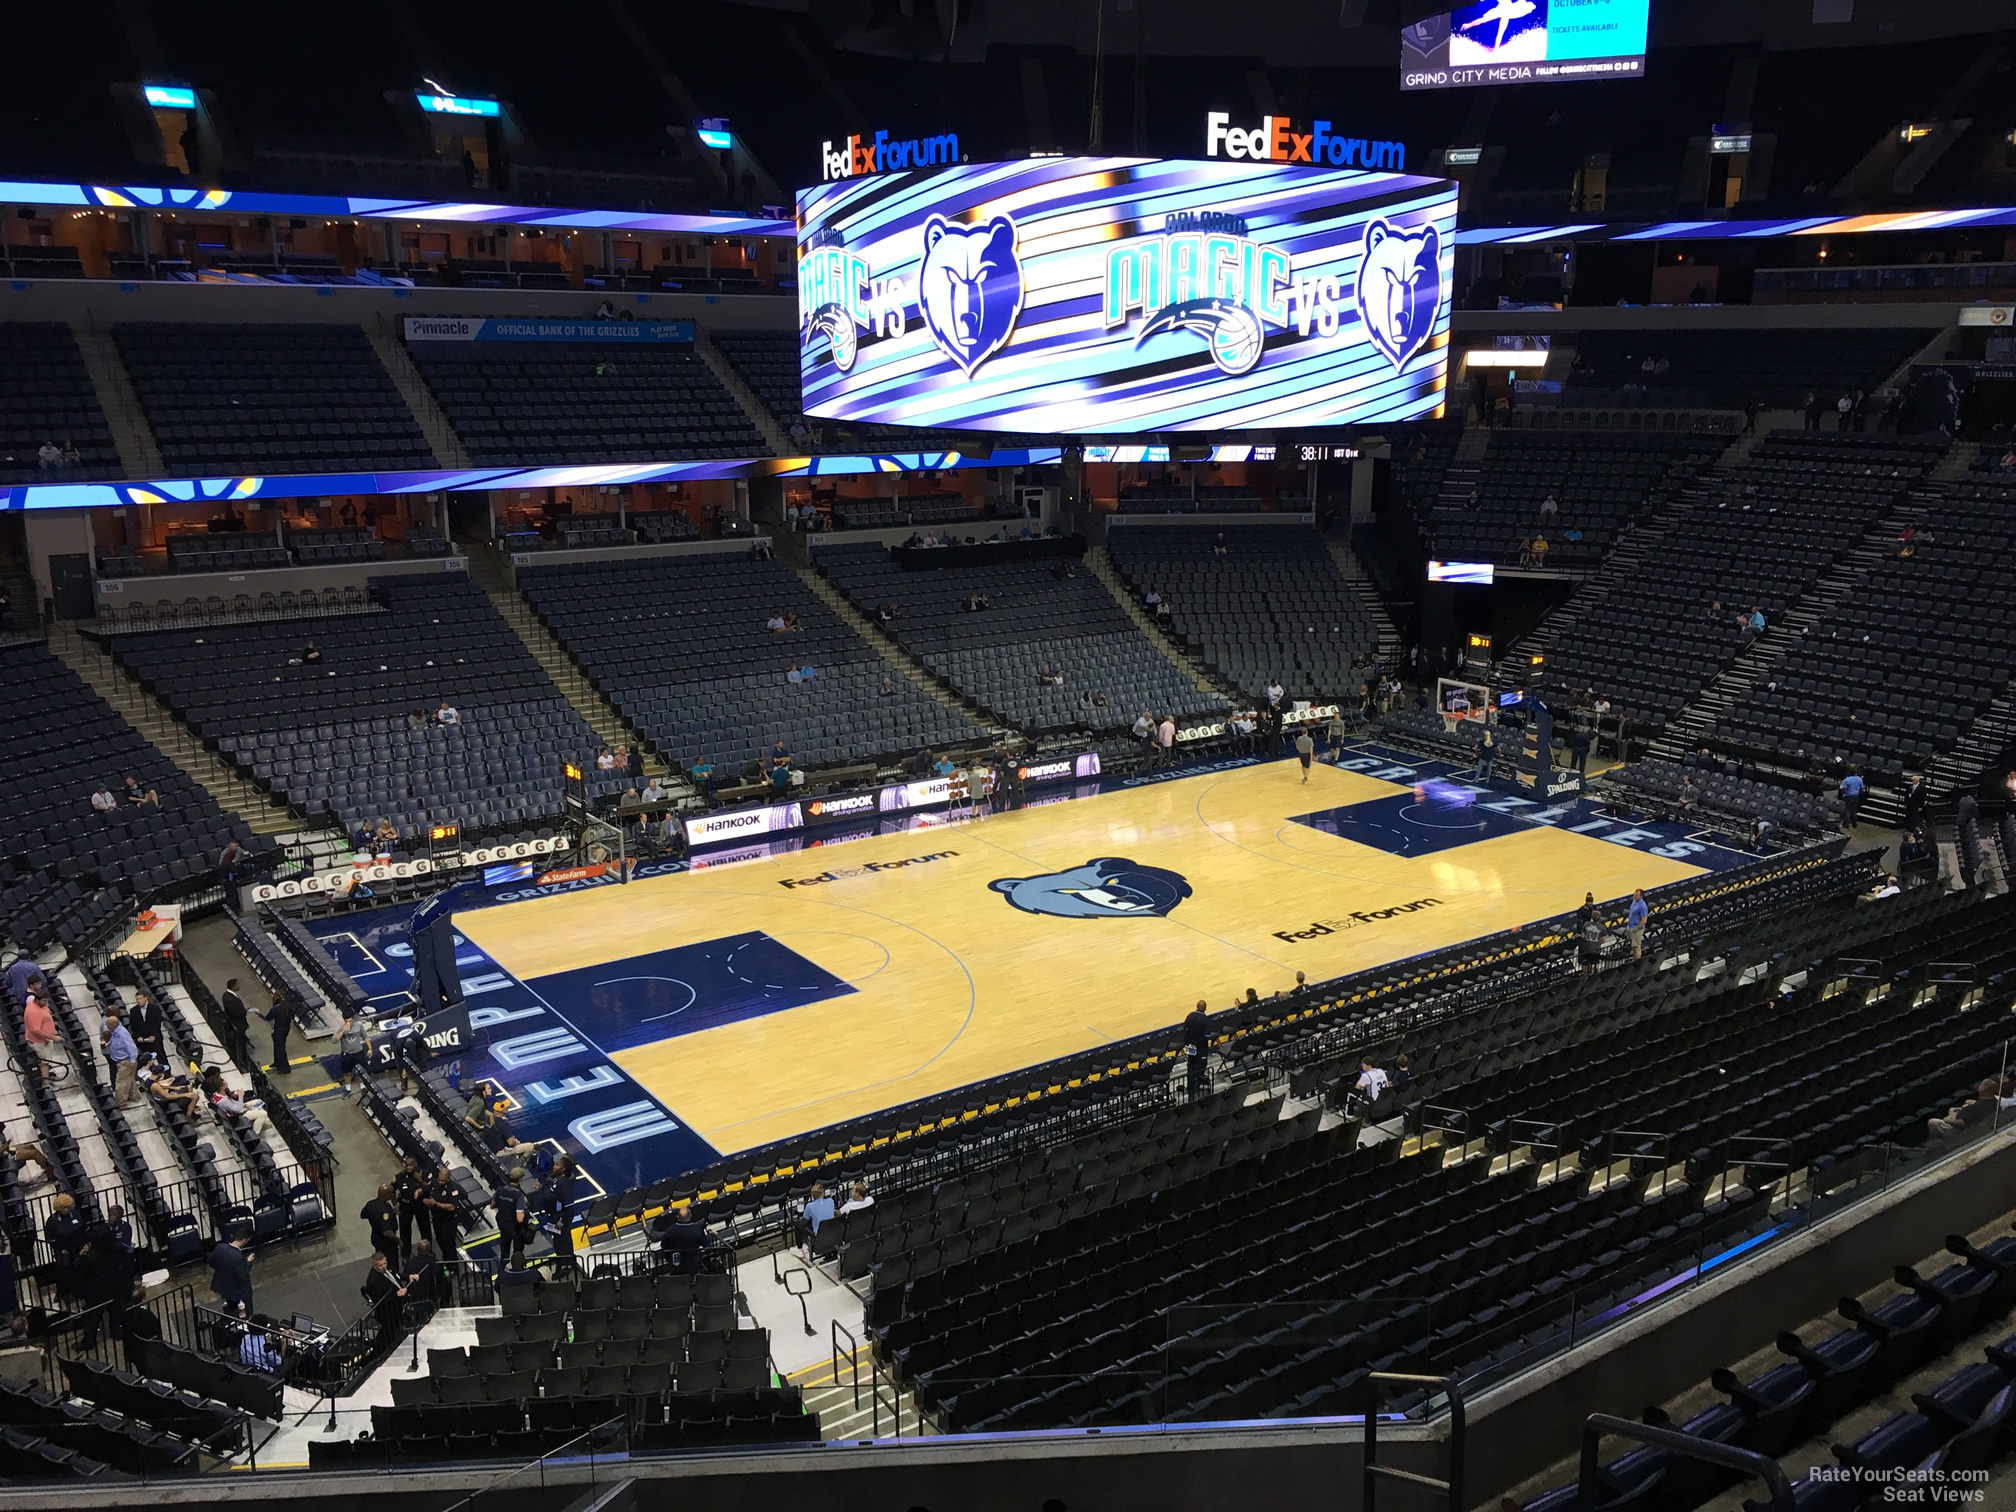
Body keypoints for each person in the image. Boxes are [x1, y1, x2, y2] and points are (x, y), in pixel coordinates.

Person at [1928, 1079, 2001, 1140]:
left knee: (1932, 1122)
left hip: (1959, 1130)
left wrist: (1948, 1119)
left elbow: (1962, 1123)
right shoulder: (1993, 1101)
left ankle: (1935, 1142)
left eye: (1981, 1085)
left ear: (1983, 1088)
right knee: (1955, 1108)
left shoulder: (1978, 1108)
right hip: (1965, 1116)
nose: (1979, 1086)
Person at [362, 1253, 408, 1342]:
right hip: (388, 1312)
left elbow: (396, 1275)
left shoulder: (387, 1267)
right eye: (380, 1265)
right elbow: (380, 1300)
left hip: (397, 1306)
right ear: (374, 1265)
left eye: (384, 1263)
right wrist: (397, 1295)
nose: (383, 1266)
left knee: (397, 1325)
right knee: (389, 1332)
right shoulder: (373, 1282)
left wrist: (408, 1276)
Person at [492, 1173, 532, 1266]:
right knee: (517, 1254)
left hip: (504, 1226)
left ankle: (502, 1272)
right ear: (520, 1179)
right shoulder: (518, 1195)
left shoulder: (499, 1190)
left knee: (504, 1252)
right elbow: (519, 1218)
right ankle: (517, 1271)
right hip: (516, 1229)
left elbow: (492, 1205)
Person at [210, 1233, 254, 1317]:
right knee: (246, 1314)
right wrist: (249, 1262)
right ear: (244, 1240)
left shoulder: (220, 1248)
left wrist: (224, 1271)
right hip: (240, 1290)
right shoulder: (238, 1257)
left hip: (225, 1286)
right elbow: (243, 1274)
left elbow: (211, 1262)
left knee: (231, 1309)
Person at [102, 1010, 140, 1108]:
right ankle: (135, 1096)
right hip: (122, 1060)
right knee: (129, 1079)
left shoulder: (122, 1034)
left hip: (126, 1061)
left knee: (121, 1082)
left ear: (112, 1025)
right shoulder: (114, 1032)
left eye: (107, 1025)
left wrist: (132, 1060)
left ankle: (121, 1103)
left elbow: (131, 1047)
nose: (106, 1026)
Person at [424, 1166, 464, 1257]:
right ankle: (445, 1259)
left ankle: (453, 1266)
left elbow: (452, 1207)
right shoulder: (434, 1183)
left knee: (448, 1244)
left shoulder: (453, 1189)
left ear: (448, 1179)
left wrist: (436, 1203)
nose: (440, 1182)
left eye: (443, 1181)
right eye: (439, 1179)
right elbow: (426, 1189)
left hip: (448, 1221)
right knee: (440, 1240)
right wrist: (419, 1191)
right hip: (437, 1219)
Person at [657, 1202, 707, 1273]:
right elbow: (705, 1243)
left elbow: (664, 1246)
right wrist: (711, 1235)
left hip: (676, 1265)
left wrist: (669, 1259)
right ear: (690, 1216)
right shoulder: (696, 1230)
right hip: (693, 1264)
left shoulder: (670, 1230)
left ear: (678, 1217)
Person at [361, 1183, 401, 1265]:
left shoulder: (370, 1204)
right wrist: (398, 1240)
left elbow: (363, 1215)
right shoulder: (386, 1209)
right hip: (386, 1242)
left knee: (380, 1257)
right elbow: (387, 1232)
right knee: (391, 1262)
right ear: (387, 1195)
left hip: (375, 1237)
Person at [1182, 1000, 1211, 1102]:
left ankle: (1190, 1086)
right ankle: (1196, 1088)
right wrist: (1197, 1044)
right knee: (1200, 1066)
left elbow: (1185, 1030)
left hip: (1190, 1047)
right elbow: (1206, 1036)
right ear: (1205, 1008)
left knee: (1191, 1065)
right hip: (1201, 1048)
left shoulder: (1190, 1016)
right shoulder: (1206, 1020)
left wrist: (1189, 1043)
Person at [335, 1014, 370, 1098]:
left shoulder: (359, 1026)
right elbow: (334, 1040)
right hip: (346, 1054)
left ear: (353, 1020)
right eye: (346, 1021)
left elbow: (365, 1037)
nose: (348, 1023)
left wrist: (370, 1048)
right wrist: (343, 1031)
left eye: (350, 1021)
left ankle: (363, 1087)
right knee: (347, 1073)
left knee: (361, 1071)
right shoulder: (341, 1028)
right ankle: (348, 1089)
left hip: (358, 1053)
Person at [125, 989, 164, 1065]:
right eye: (137, 999)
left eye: (140, 998)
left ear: (145, 998)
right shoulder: (133, 1011)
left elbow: (157, 1023)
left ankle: (167, 1073)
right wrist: (138, 1037)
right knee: (145, 1061)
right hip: (142, 1041)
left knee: (161, 1058)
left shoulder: (155, 1008)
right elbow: (133, 1026)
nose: (138, 1001)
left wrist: (153, 1036)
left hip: (155, 1039)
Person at [263, 990, 296, 1075]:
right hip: (286, 1028)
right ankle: (277, 1062)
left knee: (280, 1048)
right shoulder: (288, 1006)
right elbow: (292, 1016)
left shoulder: (275, 1009)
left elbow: (267, 1018)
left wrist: (258, 1013)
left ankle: (285, 1068)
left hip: (279, 1030)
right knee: (277, 1047)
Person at [797, 1183, 836, 1252]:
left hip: (819, 1239)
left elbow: (804, 1221)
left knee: (798, 1224)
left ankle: (799, 1249)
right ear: (822, 1193)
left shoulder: (809, 1206)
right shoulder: (831, 1201)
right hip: (833, 1235)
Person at [1838, 766, 1865, 831]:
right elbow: (1861, 789)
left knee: (1846, 810)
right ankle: (1854, 823)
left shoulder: (1846, 780)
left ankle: (1846, 824)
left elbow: (1843, 790)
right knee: (1854, 810)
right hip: (1856, 796)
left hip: (1848, 796)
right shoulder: (1859, 779)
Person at [1626, 888, 1649, 961]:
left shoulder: (1643, 906)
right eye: (1634, 895)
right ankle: (1634, 959)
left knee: (1637, 947)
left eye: (1636, 895)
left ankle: (1637, 962)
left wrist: (1636, 928)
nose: (1634, 896)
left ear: (1641, 896)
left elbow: (1644, 920)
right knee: (1633, 945)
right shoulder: (1634, 901)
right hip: (1630, 926)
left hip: (1637, 929)